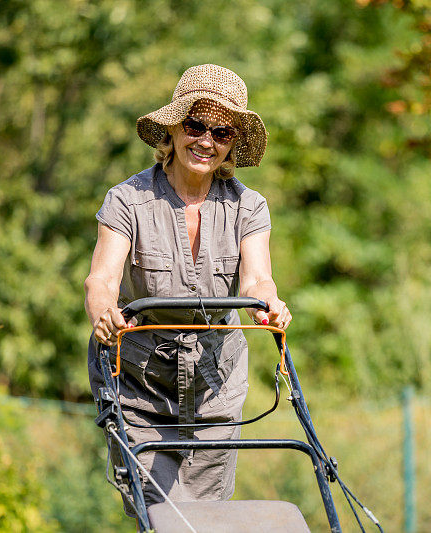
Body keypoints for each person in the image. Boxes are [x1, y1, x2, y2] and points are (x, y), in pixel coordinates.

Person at [84, 64, 291, 511]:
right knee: (158, 513)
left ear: (232, 143)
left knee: (209, 515)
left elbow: (257, 279)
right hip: (140, 382)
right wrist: (103, 311)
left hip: (215, 382)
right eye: (195, 126)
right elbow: (102, 279)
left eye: (222, 132)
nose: (206, 141)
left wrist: (270, 304)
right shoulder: (127, 200)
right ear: (174, 129)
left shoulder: (249, 206)